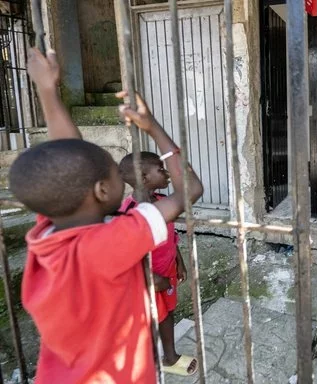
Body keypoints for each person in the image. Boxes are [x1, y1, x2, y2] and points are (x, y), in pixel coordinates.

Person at [9, 48, 203, 383]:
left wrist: (47, 90)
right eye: (114, 170)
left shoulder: (47, 231)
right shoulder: (109, 242)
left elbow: (68, 158)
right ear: (101, 191)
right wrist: (153, 127)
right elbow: (190, 191)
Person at [118, 151, 196, 376]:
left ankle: (168, 357)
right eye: (160, 170)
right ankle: (152, 361)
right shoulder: (129, 212)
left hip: (167, 272)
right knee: (149, 319)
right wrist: (151, 278)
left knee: (168, 313)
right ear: (144, 177)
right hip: (148, 280)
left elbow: (171, 238)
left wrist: (179, 262)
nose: (167, 174)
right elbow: (126, 255)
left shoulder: (162, 203)